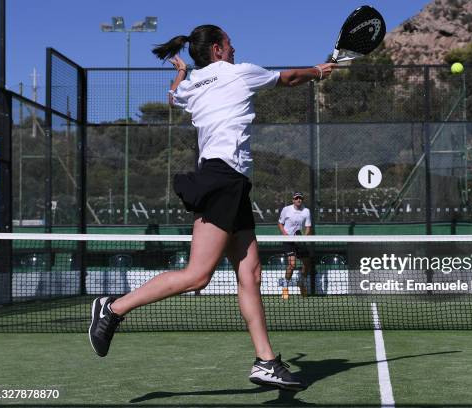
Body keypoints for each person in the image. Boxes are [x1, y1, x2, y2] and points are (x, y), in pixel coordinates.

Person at [88, 24, 335, 391]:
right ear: (218, 49)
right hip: (221, 179)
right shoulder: (238, 72)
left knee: (249, 273)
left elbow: (173, 97)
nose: (235, 50)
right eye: (231, 45)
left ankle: (266, 362)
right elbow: (289, 77)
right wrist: (318, 71)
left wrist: (182, 74)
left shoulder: (191, 85)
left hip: (231, 182)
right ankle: (113, 308)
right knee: (197, 276)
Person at [278, 192, 312, 299]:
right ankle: (285, 287)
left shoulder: (306, 211)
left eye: (300, 198)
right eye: (296, 198)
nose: (298, 200)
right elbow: (280, 223)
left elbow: (308, 227)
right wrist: (285, 234)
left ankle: (301, 283)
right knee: (292, 264)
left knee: (307, 263)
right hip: (288, 240)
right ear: (293, 200)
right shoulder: (286, 210)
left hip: (299, 239)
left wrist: (304, 238)